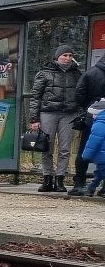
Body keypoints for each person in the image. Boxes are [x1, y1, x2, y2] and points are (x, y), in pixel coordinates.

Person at [28, 44, 85, 192]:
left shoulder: (76, 74)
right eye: (64, 55)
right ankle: (47, 178)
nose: (67, 58)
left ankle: (60, 179)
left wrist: (80, 113)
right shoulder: (44, 73)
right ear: (57, 56)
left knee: (65, 149)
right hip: (48, 113)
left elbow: (80, 95)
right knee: (46, 146)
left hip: (69, 115)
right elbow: (36, 97)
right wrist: (34, 119)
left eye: (70, 56)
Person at [74, 50, 105, 194]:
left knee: (85, 149)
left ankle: (79, 183)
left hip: (92, 115)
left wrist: (87, 107)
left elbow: (79, 94)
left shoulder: (90, 73)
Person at [77, 100, 105, 197]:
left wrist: (86, 155)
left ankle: (91, 188)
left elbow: (93, 142)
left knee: (99, 174)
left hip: (101, 157)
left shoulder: (98, 125)